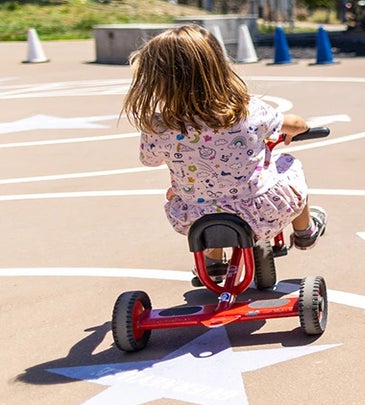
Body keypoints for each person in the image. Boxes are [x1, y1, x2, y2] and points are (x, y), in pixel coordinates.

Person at [121, 25, 326, 276]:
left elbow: (149, 160)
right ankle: (305, 232)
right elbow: (294, 123)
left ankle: (213, 263)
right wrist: (299, 128)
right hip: (260, 212)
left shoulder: (158, 126)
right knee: (291, 166)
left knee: (190, 192)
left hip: (194, 218)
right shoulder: (248, 110)